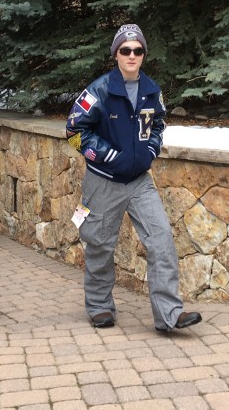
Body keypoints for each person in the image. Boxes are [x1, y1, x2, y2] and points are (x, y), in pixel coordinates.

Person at [65, 24, 202, 332]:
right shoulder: (99, 90)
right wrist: (107, 155)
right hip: (103, 180)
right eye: (125, 50)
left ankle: (169, 315)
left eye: (137, 50)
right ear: (116, 54)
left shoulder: (152, 91)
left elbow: (158, 125)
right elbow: (73, 131)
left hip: (140, 181)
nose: (131, 55)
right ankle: (99, 306)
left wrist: (150, 150)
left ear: (143, 55)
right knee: (99, 244)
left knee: (161, 240)